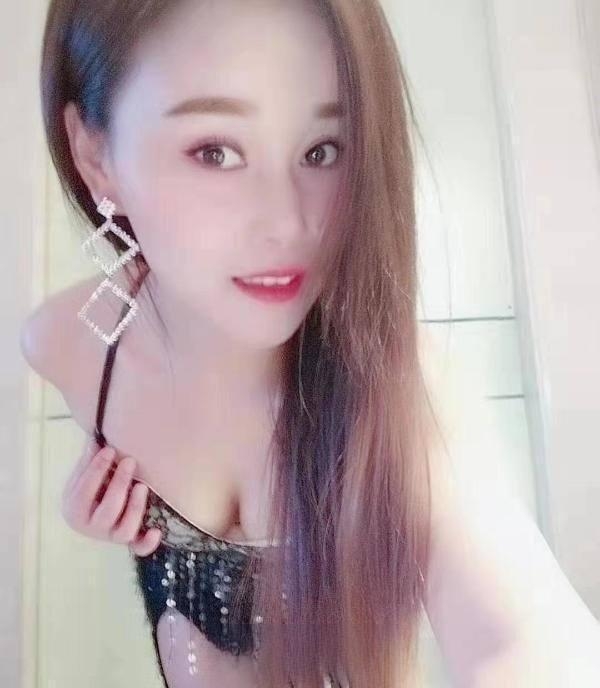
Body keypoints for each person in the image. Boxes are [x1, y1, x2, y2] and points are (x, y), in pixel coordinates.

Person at [20, 0, 600, 687]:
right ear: (95, 154)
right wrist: (92, 502)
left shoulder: (400, 385)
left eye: (321, 151)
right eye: (215, 152)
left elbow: (526, 638)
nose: (290, 221)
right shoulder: (69, 343)